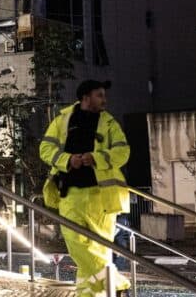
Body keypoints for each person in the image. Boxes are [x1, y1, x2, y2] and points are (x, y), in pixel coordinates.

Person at [40, 80, 132, 296]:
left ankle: (88, 293)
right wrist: (67, 160)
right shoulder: (62, 120)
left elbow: (123, 152)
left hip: (101, 196)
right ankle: (116, 283)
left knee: (98, 249)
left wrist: (96, 158)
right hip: (69, 193)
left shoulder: (110, 123)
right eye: (99, 95)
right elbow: (45, 149)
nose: (104, 100)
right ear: (85, 97)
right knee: (76, 245)